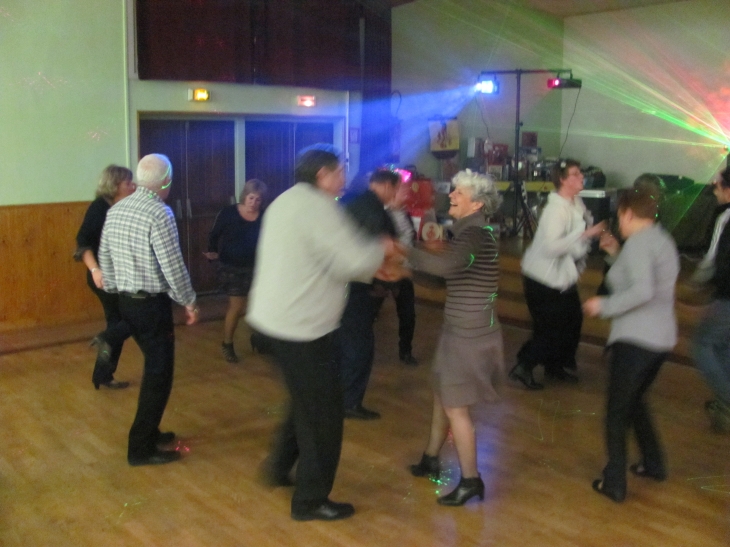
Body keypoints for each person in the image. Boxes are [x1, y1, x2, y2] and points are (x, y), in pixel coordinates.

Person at [246, 145, 402, 522]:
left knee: (305, 400)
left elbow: (326, 256)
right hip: (302, 329)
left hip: (273, 321)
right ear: (322, 175)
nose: (344, 177)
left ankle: (280, 466)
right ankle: (311, 500)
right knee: (324, 414)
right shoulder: (317, 207)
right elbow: (349, 259)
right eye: (340, 171)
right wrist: (380, 250)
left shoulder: (287, 200)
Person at [407, 169, 504, 506]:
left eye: (458, 192)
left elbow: (445, 269)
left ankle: (471, 480)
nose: (451, 195)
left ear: (476, 202)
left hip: (470, 334)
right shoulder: (469, 233)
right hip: (461, 329)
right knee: (442, 391)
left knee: (455, 406)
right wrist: (409, 268)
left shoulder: (475, 233)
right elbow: (444, 278)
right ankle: (431, 458)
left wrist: (404, 252)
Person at [98, 153, 199, 466]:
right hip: (152, 306)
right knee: (159, 375)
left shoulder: (116, 210)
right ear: (165, 182)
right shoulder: (159, 212)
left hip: (127, 302)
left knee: (154, 368)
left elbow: (105, 257)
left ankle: (150, 432)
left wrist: (116, 290)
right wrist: (189, 301)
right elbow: (172, 265)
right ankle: (140, 448)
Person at [583, 189, 678, 503]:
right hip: (661, 339)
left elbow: (641, 291)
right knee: (635, 403)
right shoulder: (660, 240)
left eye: (618, 217)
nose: (617, 225)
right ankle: (654, 464)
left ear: (627, 213)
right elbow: (637, 279)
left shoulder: (638, 244)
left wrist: (603, 305)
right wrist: (614, 255)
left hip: (637, 339)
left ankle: (614, 483)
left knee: (616, 413)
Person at [510, 159, 605, 390]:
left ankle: (555, 366)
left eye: (580, 172)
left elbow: (579, 235)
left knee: (572, 321)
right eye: (575, 173)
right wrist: (585, 235)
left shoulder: (576, 203)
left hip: (562, 278)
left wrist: (593, 236)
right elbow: (551, 248)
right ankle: (523, 366)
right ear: (562, 180)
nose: (581, 176)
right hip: (542, 279)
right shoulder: (555, 210)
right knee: (550, 329)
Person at [338, 168, 401, 420]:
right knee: (359, 346)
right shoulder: (374, 210)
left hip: (342, 283)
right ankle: (349, 402)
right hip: (356, 286)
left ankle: (340, 397)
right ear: (385, 185)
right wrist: (385, 282)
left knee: (347, 343)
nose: (395, 195)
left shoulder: (354, 202)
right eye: (395, 189)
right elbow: (381, 251)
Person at [74, 165, 136, 390]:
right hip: (102, 276)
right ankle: (104, 361)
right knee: (126, 321)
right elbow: (83, 243)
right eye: (128, 182)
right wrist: (95, 270)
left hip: (121, 276)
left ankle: (103, 372)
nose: (133, 186)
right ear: (115, 185)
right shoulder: (99, 208)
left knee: (118, 322)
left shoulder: (127, 206)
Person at [204, 179, 267, 363]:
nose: (254, 203)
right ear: (245, 196)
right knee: (237, 307)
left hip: (256, 267)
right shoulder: (229, 213)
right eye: (251, 198)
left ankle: (259, 339)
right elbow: (214, 234)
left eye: (258, 200)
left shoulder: (264, 216)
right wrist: (212, 251)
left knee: (258, 306)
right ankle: (227, 343)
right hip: (231, 267)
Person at [690, 167, 730, 433]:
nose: (714, 189)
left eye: (717, 185)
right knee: (724, 347)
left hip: (727, 296)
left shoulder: (725, 217)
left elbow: (713, 261)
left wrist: (694, 285)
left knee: (702, 345)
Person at [373, 180, 419, 366]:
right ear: (392, 192)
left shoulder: (406, 214)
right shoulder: (381, 215)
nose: (407, 192)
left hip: (403, 273)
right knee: (370, 313)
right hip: (384, 273)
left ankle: (405, 351)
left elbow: (410, 242)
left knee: (408, 314)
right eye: (403, 190)